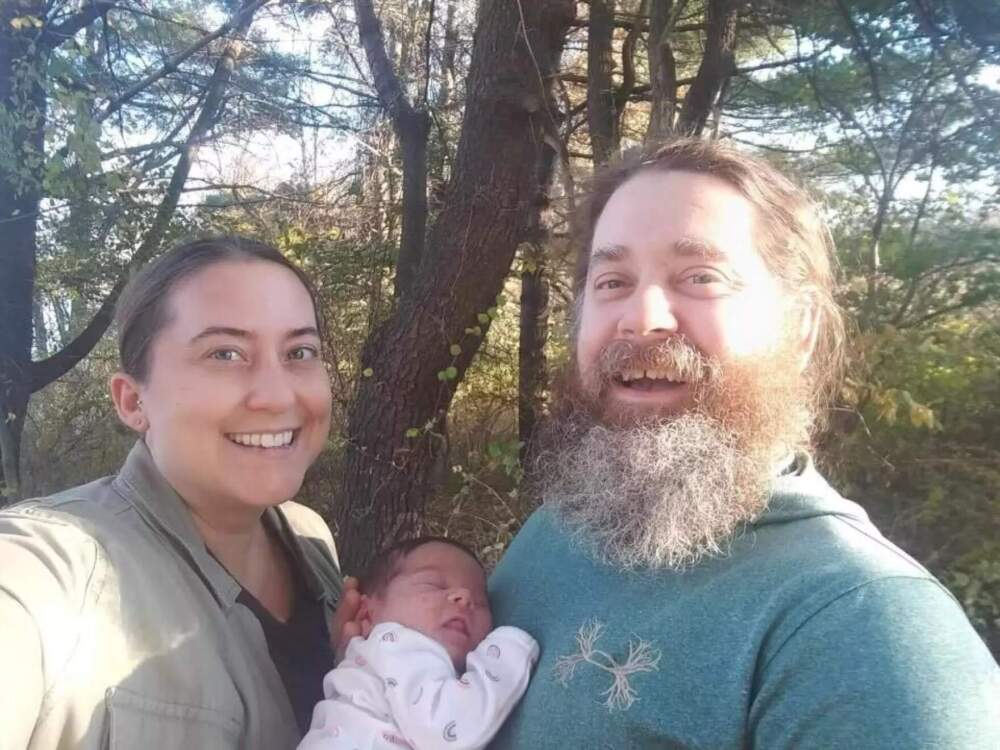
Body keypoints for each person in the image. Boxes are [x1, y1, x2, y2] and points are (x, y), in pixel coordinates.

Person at [488, 139, 1000, 748]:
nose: (641, 315)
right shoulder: (565, 522)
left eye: (701, 277)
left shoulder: (869, 628)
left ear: (801, 328)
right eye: (612, 280)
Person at [0, 237, 348, 750]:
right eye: (225, 353)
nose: (278, 395)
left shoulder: (310, 539)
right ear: (133, 401)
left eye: (300, 352)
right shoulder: (57, 569)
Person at [298, 537, 538, 750]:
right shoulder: (395, 643)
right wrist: (509, 651)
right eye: (433, 584)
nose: (464, 598)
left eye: (480, 600)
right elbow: (444, 731)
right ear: (367, 615)